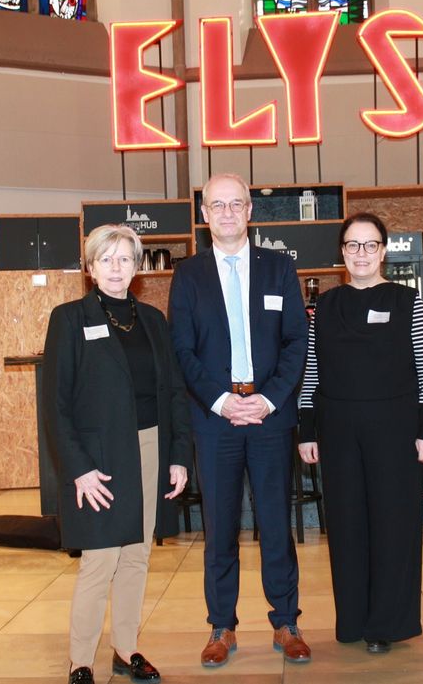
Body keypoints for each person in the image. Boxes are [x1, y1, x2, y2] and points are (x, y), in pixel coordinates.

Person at [168, 173, 311, 667]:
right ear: (204, 214)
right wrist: (220, 401)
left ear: (250, 211)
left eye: (236, 204)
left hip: (270, 418)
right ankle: (221, 626)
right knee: (220, 529)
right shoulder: (188, 275)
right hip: (215, 421)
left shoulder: (279, 268)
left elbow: (297, 340)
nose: (227, 213)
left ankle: (286, 622)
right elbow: (182, 349)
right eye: (217, 205)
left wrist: (268, 399)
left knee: (275, 524)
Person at [42, 224, 192, 684]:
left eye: (125, 259)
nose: (116, 268)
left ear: (137, 267)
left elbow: (173, 391)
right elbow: (55, 405)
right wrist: (79, 469)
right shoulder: (69, 319)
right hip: (99, 458)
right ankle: (81, 661)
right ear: (90, 268)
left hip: (149, 448)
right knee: (101, 559)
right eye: (106, 259)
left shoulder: (152, 320)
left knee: (137, 555)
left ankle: (126, 651)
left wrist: (178, 454)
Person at [296, 212, 423, 654]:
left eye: (370, 244)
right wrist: (306, 429)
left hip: (395, 428)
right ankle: (353, 620)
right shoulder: (325, 306)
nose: (361, 253)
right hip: (337, 430)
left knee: (394, 524)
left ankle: (387, 624)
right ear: (342, 252)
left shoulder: (407, 300)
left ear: (383, 251)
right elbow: (312, 372)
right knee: (346, 526)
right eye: (353, 245)